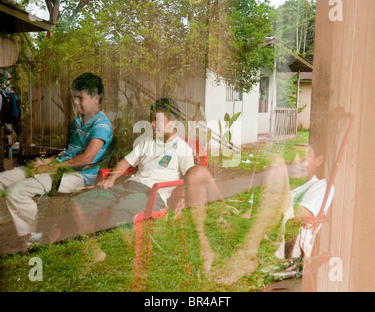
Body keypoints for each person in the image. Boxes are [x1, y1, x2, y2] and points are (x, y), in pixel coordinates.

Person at [182, 137, 334, 284]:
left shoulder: (321, 186)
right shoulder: (274, 178)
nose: (294, 161)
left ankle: (246, 255)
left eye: (302, 157)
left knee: (275, 162)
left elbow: (296, 220)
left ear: (318, 161)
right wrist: (235, 219)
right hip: (250, 229)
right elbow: (250, 211)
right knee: (197, 174)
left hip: (279, 240)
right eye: (291, 155)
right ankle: (205, 250)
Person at [0, 72, 113, 240]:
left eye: (80, 98)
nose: (75, 101)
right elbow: (69, 151)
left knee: (18, 192)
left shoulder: (102, 125)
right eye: (74, 97)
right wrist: (46, 161)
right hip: (59, 167)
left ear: (96, 98)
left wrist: (49, 167)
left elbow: (85, 159)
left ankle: (31, 238)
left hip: (77, 175)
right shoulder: (78, 121)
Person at [71, 98, 195, 236]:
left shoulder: (182, 148)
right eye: (151, 119)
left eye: (157, 120)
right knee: (78, 204)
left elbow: (190, 177)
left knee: (117, 214)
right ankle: (93, 247)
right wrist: (111, 178)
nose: (152, 124)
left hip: (151, 195)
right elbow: (126, 161)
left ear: (172, 122)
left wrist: (183, 198)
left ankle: (112, 250)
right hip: (128, 187)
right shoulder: (146, 141)